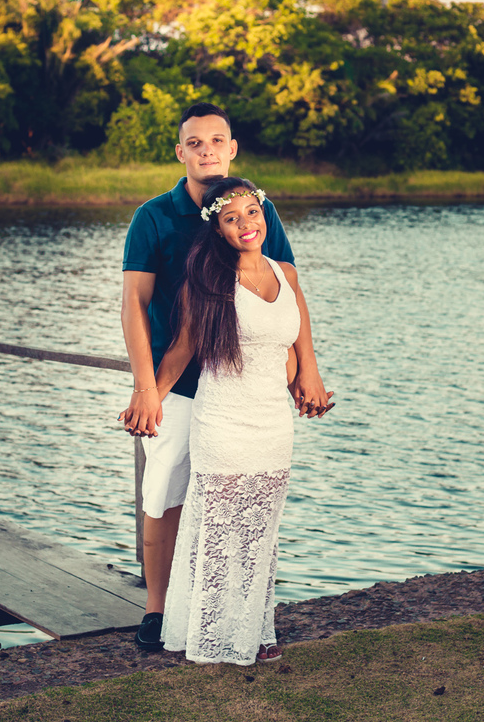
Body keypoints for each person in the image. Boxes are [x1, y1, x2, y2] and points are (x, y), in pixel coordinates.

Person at [120, 103, 330, 652]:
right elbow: (134, 305)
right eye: (196, 142)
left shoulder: (257, 208)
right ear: (181, 152)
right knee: (166, 492)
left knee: (243, 504)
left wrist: (305, 371)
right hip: (182, 386)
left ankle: (236, 616)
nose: (208, 149)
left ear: (232, 147)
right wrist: (147, 388)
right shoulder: (154, 217)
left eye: (218, 140)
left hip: (249, 392)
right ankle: (158, 608)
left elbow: (284, 296)